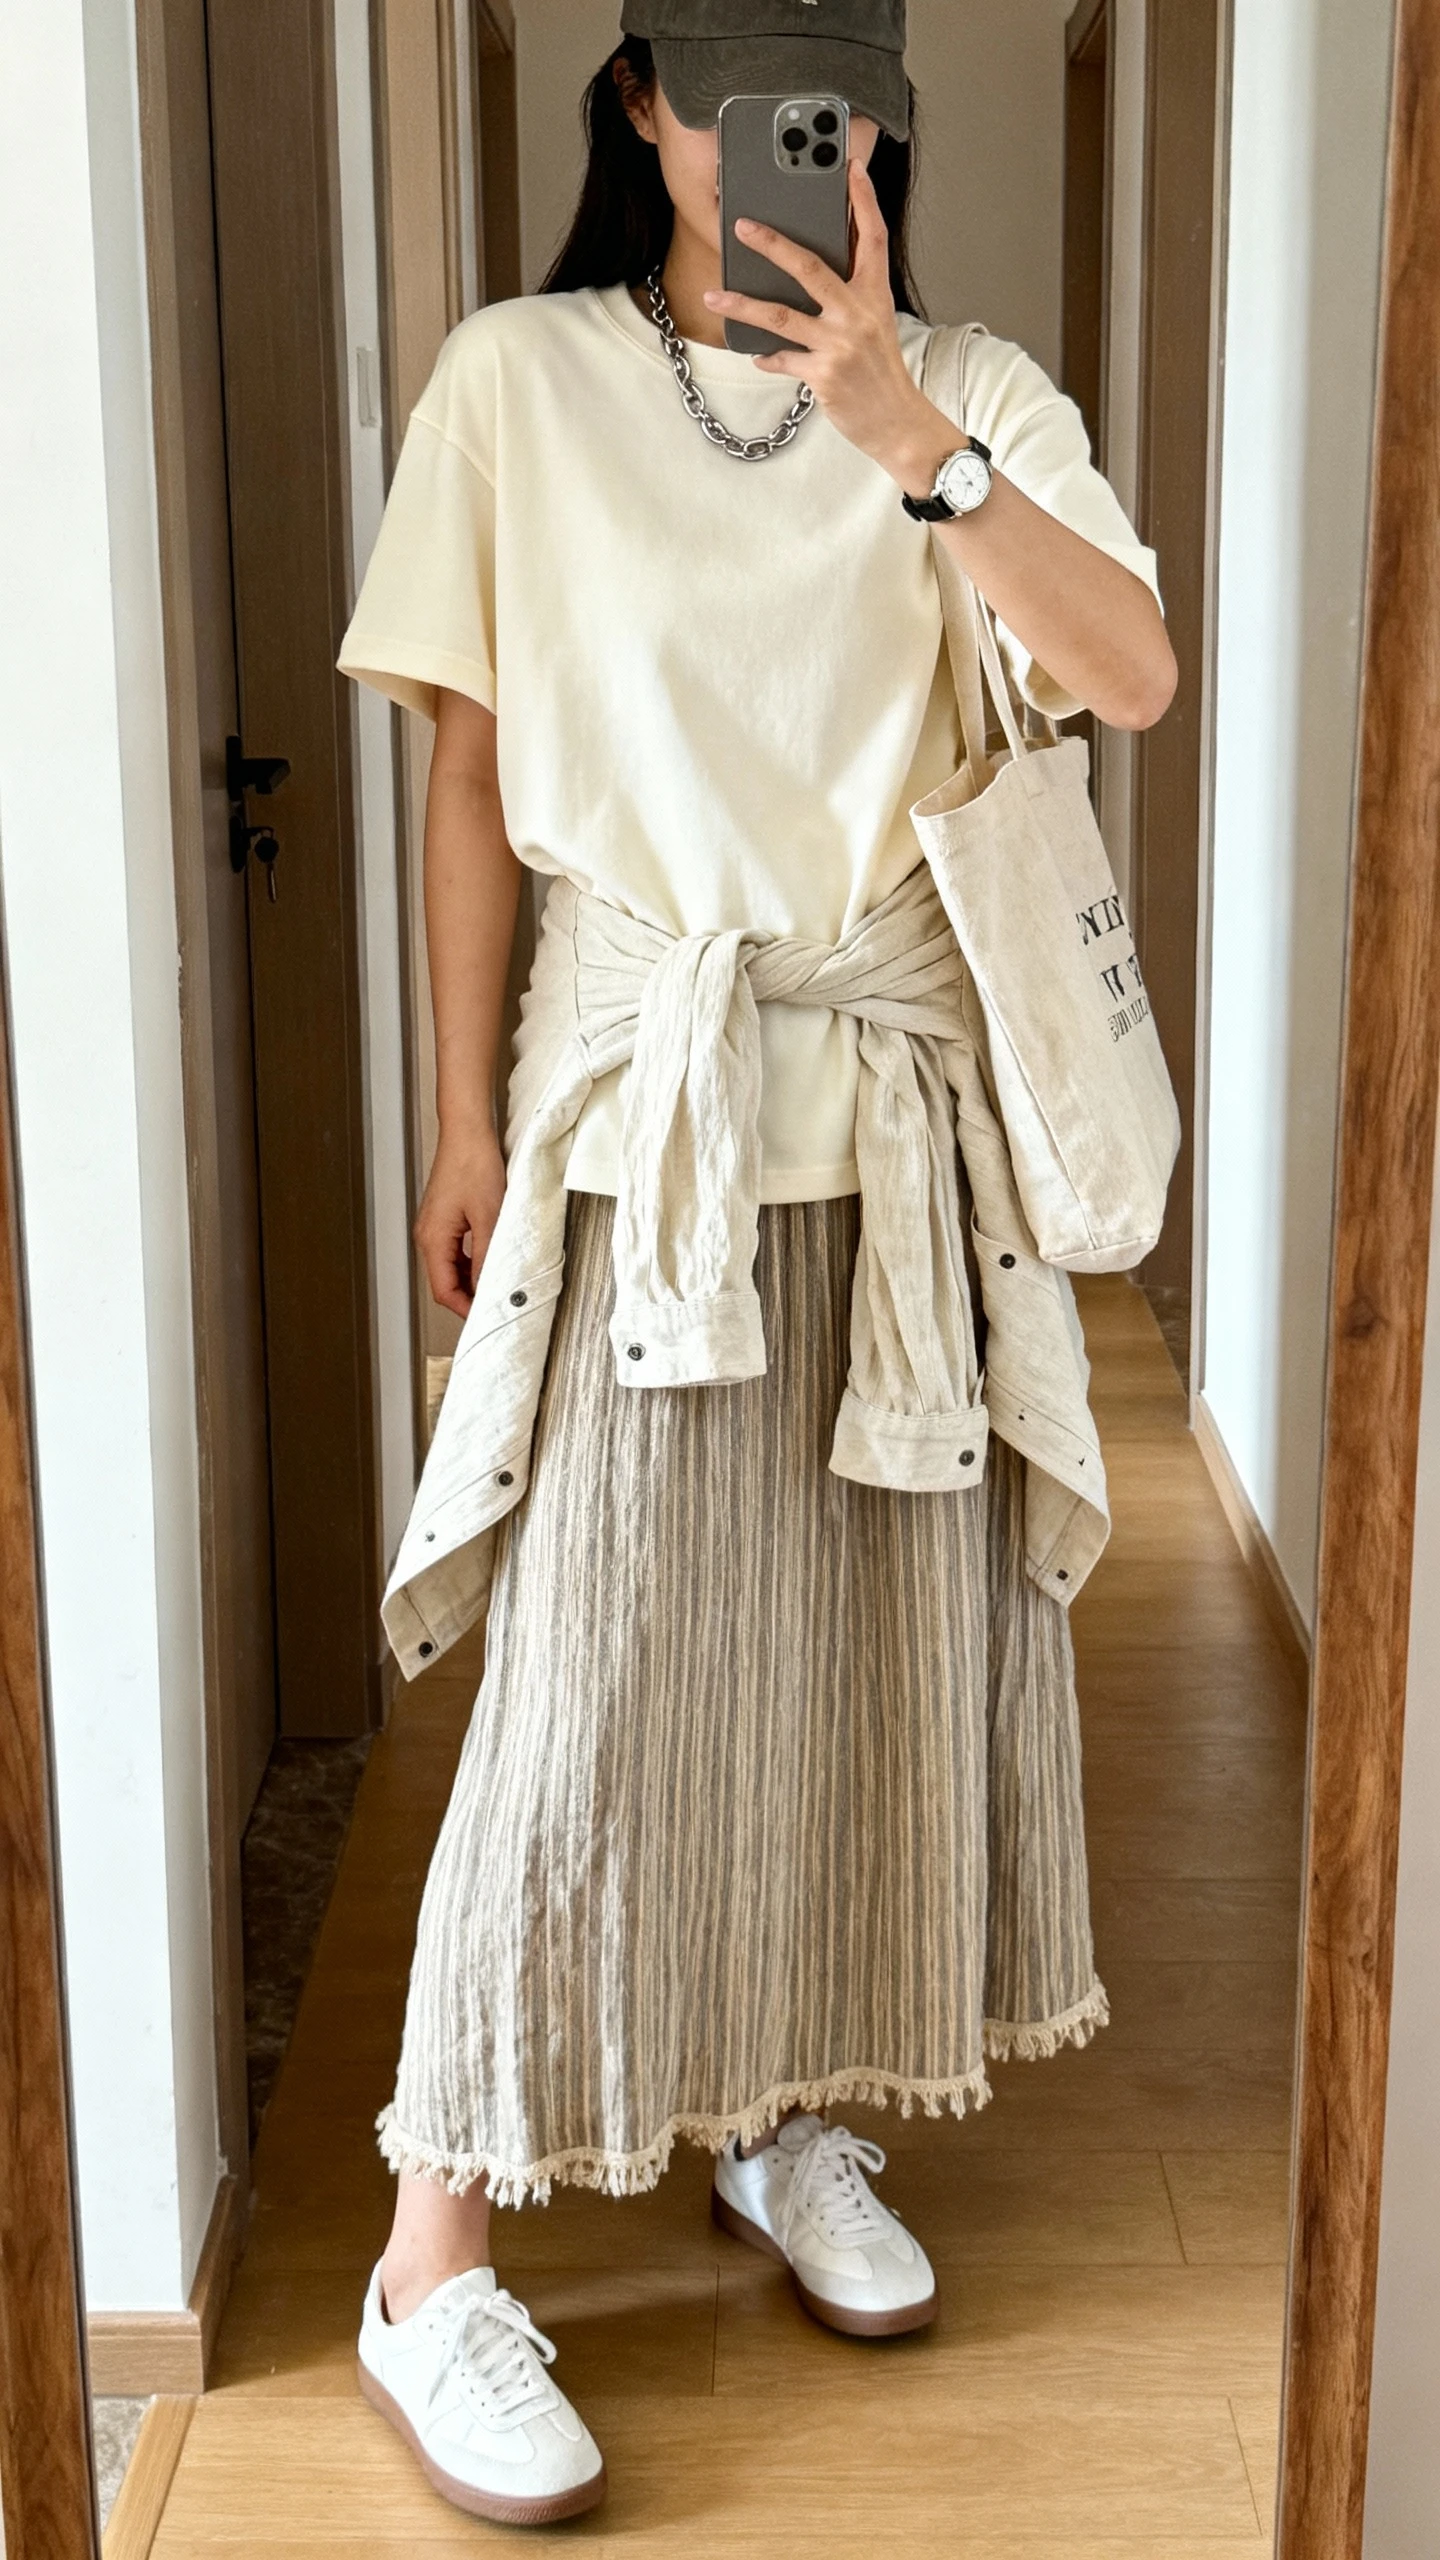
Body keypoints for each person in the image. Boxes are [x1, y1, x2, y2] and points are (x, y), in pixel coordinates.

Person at [338, 0, 1176, 2527]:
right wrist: (462, 1110)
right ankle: (429, 2257)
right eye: (737, 90)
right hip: (645, 1131)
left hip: (904, 1138)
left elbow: (1125, 667)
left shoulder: (978, 392)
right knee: (588, 1686)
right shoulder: (519, 379)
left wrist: (914, 442)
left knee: (856, 1660)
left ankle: (786, 2116)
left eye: (836, 96)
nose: (790, 140)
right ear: (643, 108)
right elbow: (475, 770)